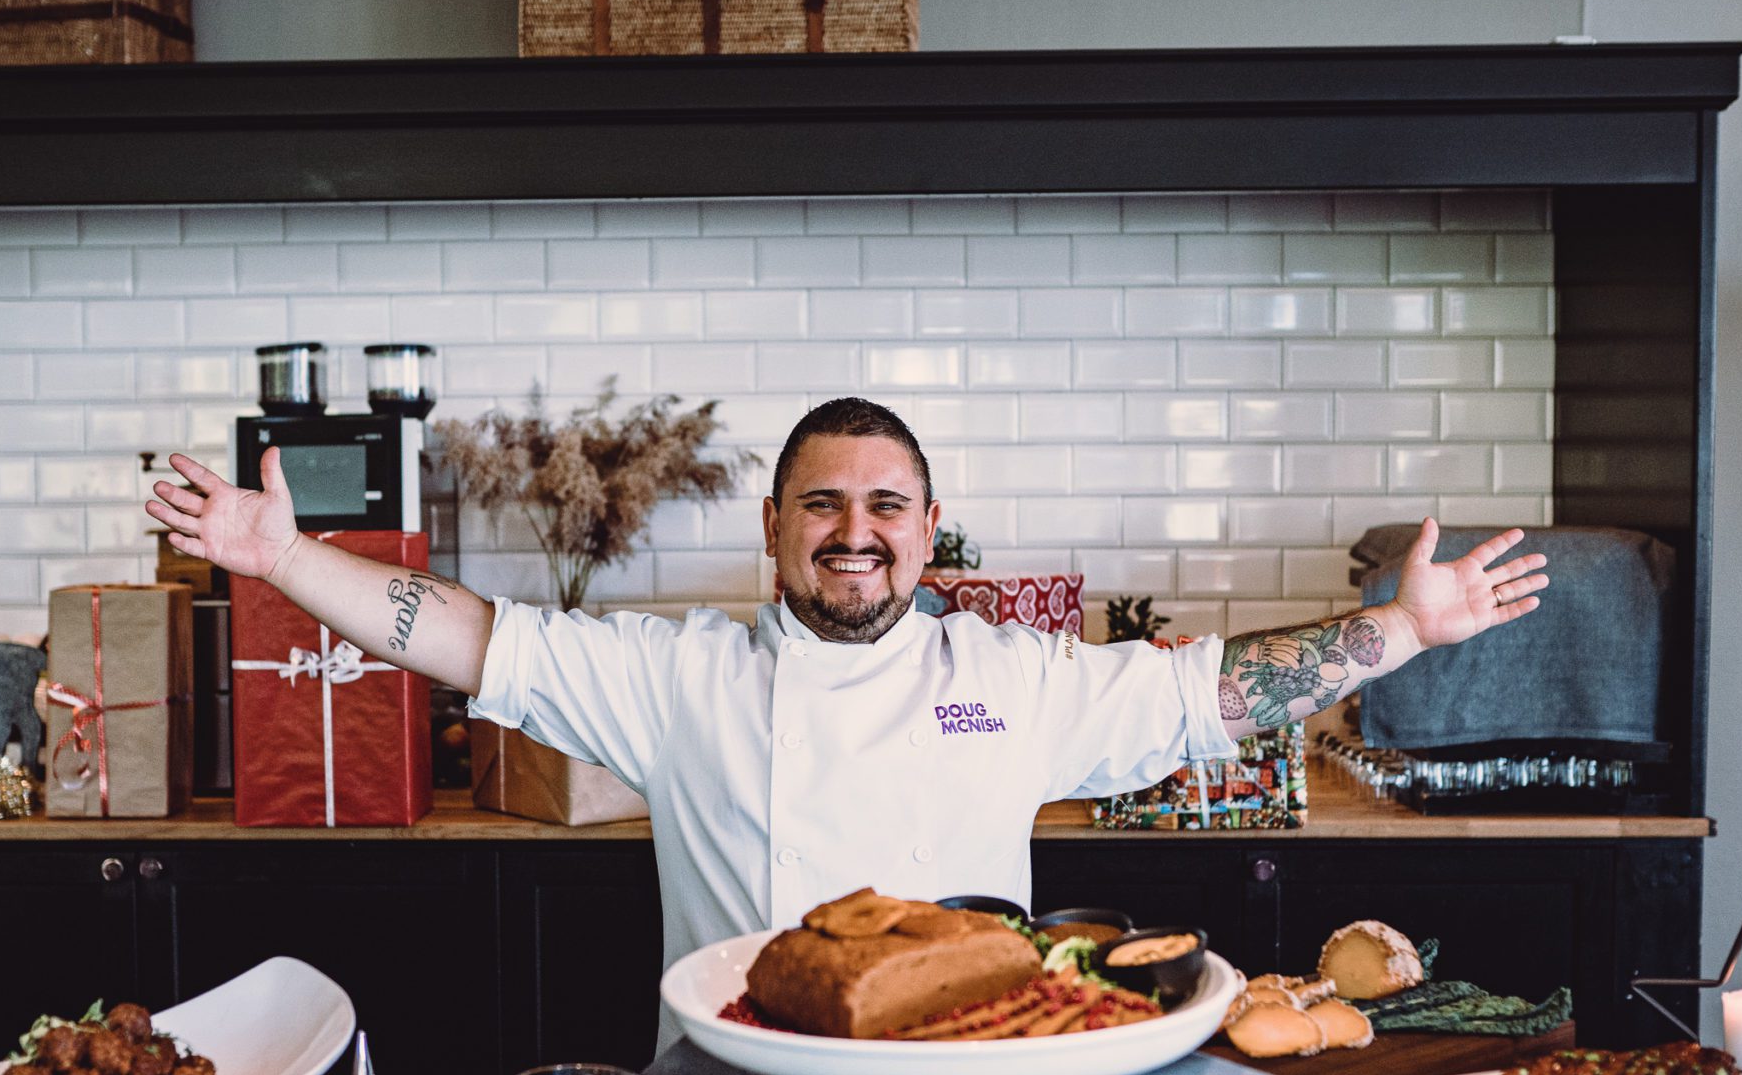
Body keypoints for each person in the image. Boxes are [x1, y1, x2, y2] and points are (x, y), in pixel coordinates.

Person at [147, 396, 1545, 1024]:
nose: (854, 530)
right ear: (774, 527)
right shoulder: (676, 673)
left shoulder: (1010, 678)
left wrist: (1399, 631)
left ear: (931, 532)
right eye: (823, 502)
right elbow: (464, 638)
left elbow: (1213, 696)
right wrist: (280, 559)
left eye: (885, 506)